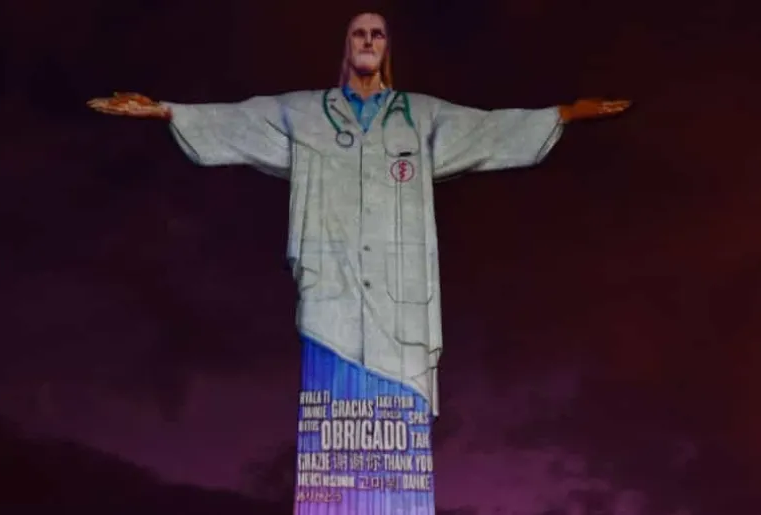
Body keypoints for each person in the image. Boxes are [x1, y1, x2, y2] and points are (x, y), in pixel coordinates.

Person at [88, 12, 630, 514]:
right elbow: (239, 119)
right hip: (333, 300)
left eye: (377, 34)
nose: (368, 41)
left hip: (401, 306)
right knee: (331, 432)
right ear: (346, 46)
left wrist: (561, 115)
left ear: (387, 47)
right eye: (358, 33)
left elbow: (488, 130)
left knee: (398, 456)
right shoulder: (304, 111)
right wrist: (165, 109)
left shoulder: (420, 114)